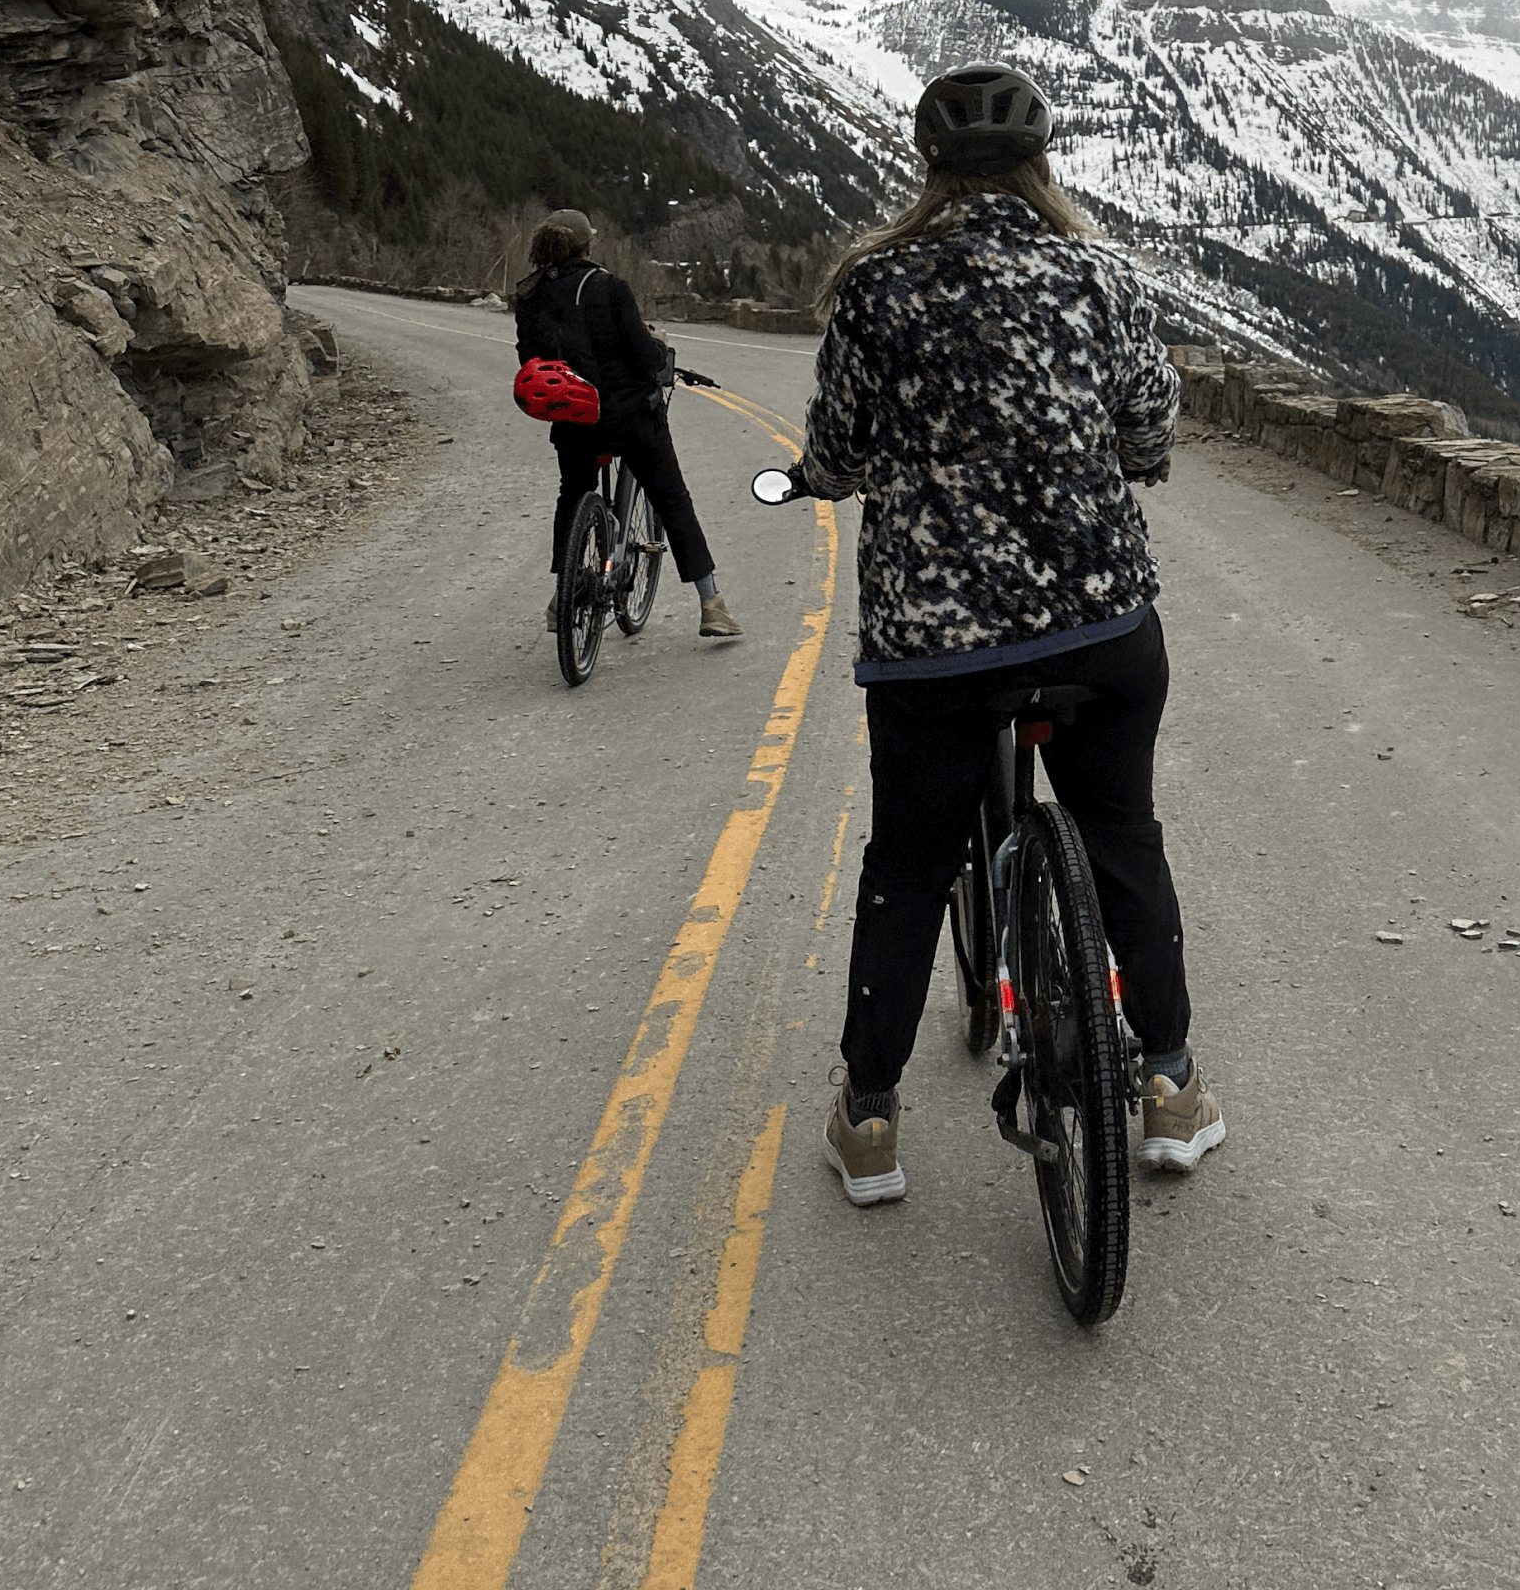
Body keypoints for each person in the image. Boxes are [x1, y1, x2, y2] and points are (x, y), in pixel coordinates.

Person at [788, 63, 1221, 1205]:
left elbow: (836, 447)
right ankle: (1170, 1088)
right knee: (1120, 828)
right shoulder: (1100, 275)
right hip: (1101, 620)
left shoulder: (875, 287)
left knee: (909, 864)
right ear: (1042, 164)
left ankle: (870, 1120)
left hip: (935, 643)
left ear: (927, 168)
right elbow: (1146, 431)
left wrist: (827, 480)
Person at [513, 211, 740, 642]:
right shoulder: (609, 287)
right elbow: (644, 356)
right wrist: (661, 347)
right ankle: (711, 604)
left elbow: (530, 356)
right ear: (586, 245)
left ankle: (561, 596)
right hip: (629, 417)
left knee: (573, 494)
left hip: (573, 418)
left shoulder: (529, 294)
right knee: (672, 498)